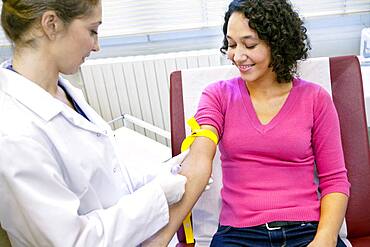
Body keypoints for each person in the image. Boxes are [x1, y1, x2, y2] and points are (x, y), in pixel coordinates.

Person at [144, 0, 351, 246]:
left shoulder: (316, 99)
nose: (237, 56)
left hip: (305, 230)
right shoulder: (217, 96)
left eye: (249, 44)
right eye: (231, 45)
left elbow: (335, 179)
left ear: (278, 42)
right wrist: (162, 237)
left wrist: (325, 238)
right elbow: (198, 162)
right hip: (238, 234)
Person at [0, 0, 189, 246]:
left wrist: (166, 172)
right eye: (92, 30)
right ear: (51, 24)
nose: (97, 46)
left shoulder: (62, 91)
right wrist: (158, 197)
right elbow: (74, 241)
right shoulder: (13, 135)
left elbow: (109, 172)